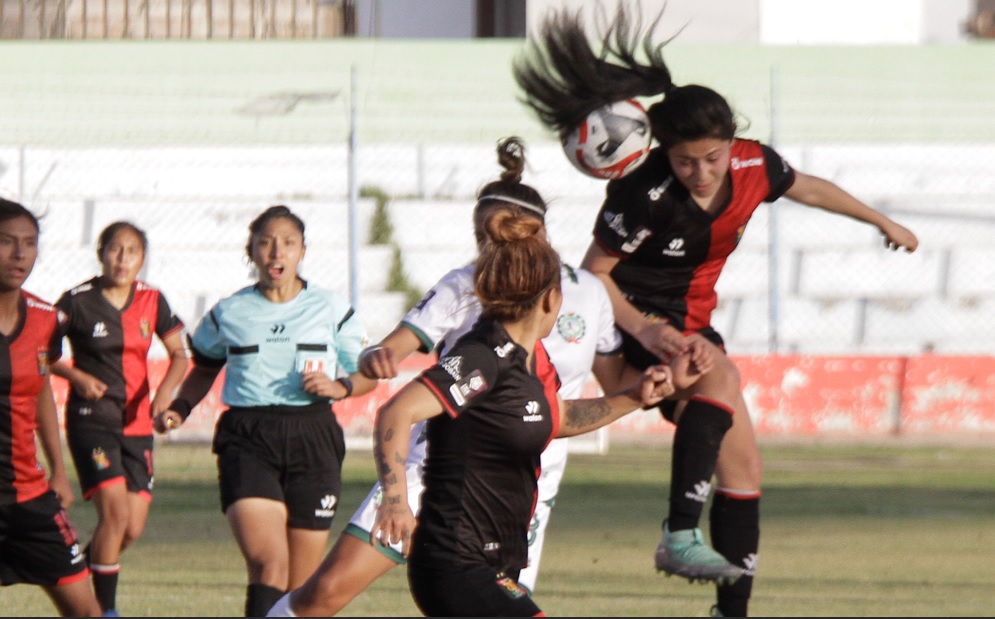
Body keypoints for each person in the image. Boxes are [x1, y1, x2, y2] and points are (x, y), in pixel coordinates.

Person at [513, 4, 920, 617]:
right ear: (663, 151)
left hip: (688, 324)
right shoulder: (643, 193)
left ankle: (732, 611)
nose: (701, 173)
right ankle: (678, 534)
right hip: (626, 327)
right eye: (685, 160)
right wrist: (649, 328)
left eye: (713, 157)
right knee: (723, 377)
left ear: (733, 143)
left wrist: (880, 219)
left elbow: (806, 185)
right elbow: (594, 274)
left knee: (745, 464)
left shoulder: (754, 165)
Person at [268, 136, 661, 617]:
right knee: (324, 595)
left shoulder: (557, 327)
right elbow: (397, 373)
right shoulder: (469, 303)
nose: (494, 246)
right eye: (487, 235)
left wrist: (637, 395)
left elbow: (556, 415)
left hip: (516, 493)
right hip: (434, 481)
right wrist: (378, 361)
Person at [371, 206, 676, 617]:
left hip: (495, 566)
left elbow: (558, 418)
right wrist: (394, 500)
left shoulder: (532, 362)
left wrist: (635, 397)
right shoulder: (484, 359)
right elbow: (396, 411)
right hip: (454, 563)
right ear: (552, 298)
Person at [152, 205, 377, 617]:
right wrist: (179, 408)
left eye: (288, 243)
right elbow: (204, 366)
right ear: (251, 250)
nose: (277, 253)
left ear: (302, 250)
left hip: (314, 436)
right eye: (266, 242)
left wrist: (341, 387)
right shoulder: (229, 312)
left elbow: (368, 374)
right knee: (269, 564)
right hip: (248, 437)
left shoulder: (330, 309)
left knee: (303, 589)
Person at [50, 221, 188, 617]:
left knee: (130, 528)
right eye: (115, 249)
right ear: (100, 252)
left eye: (132, 251)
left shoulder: (152, 300)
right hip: (91, 420)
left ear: (143, 259)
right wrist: (76, 376)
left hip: (138, 426)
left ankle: (75, 572)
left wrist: (163, 397)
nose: (123, 258)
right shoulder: (76, 301)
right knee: (114, 514)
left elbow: (180, 354)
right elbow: (42, 352)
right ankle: (105, 611)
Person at [0, 197, 102, 617]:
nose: (20, 254)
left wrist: (59, 471)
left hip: (28, 496)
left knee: (86, 611)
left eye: (29, 242)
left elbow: (39, 388)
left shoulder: (45, 319)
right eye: (6, 242)